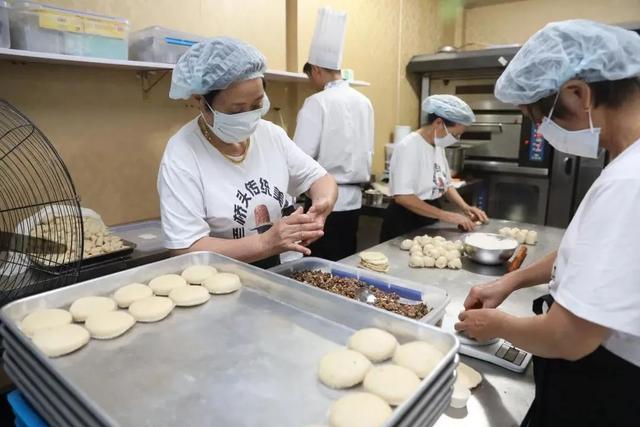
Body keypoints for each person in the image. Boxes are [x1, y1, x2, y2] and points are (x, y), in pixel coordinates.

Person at [456, 20, 640, 426]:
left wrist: (497, 325)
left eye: (541, 117)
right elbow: (584, 253)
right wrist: (510, 281)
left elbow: (568, 338)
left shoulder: (630, 181)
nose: (542, 130)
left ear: (579, 93)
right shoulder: (627, 166)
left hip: (605, 387)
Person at [158, 37, 337, 269]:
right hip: (223, 280)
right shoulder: (182, 154)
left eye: (257, 105)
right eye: (237, 110)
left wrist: (322, 204)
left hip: (283, 271)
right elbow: (186, 247)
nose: (250, 117)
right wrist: (264, 243)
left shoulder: (270, 134)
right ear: (201, 102)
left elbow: (321, 179)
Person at [294, 7, 374, 261]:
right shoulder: (364, 102)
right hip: (354, 203)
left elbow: (299, 158)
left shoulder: (317, 102)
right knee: (345, 266)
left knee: (319, 269)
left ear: (316, 70)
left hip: (323, 203)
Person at [379, 95, 487, 241]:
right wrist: (447, 215)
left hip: (428, 215)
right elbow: (403, 197)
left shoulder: (437, 145)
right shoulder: (408, 146)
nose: (456, 139)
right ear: (438, 122)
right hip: (405, 219)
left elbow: (445, 183)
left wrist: (466, 208)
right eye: (455, 134)